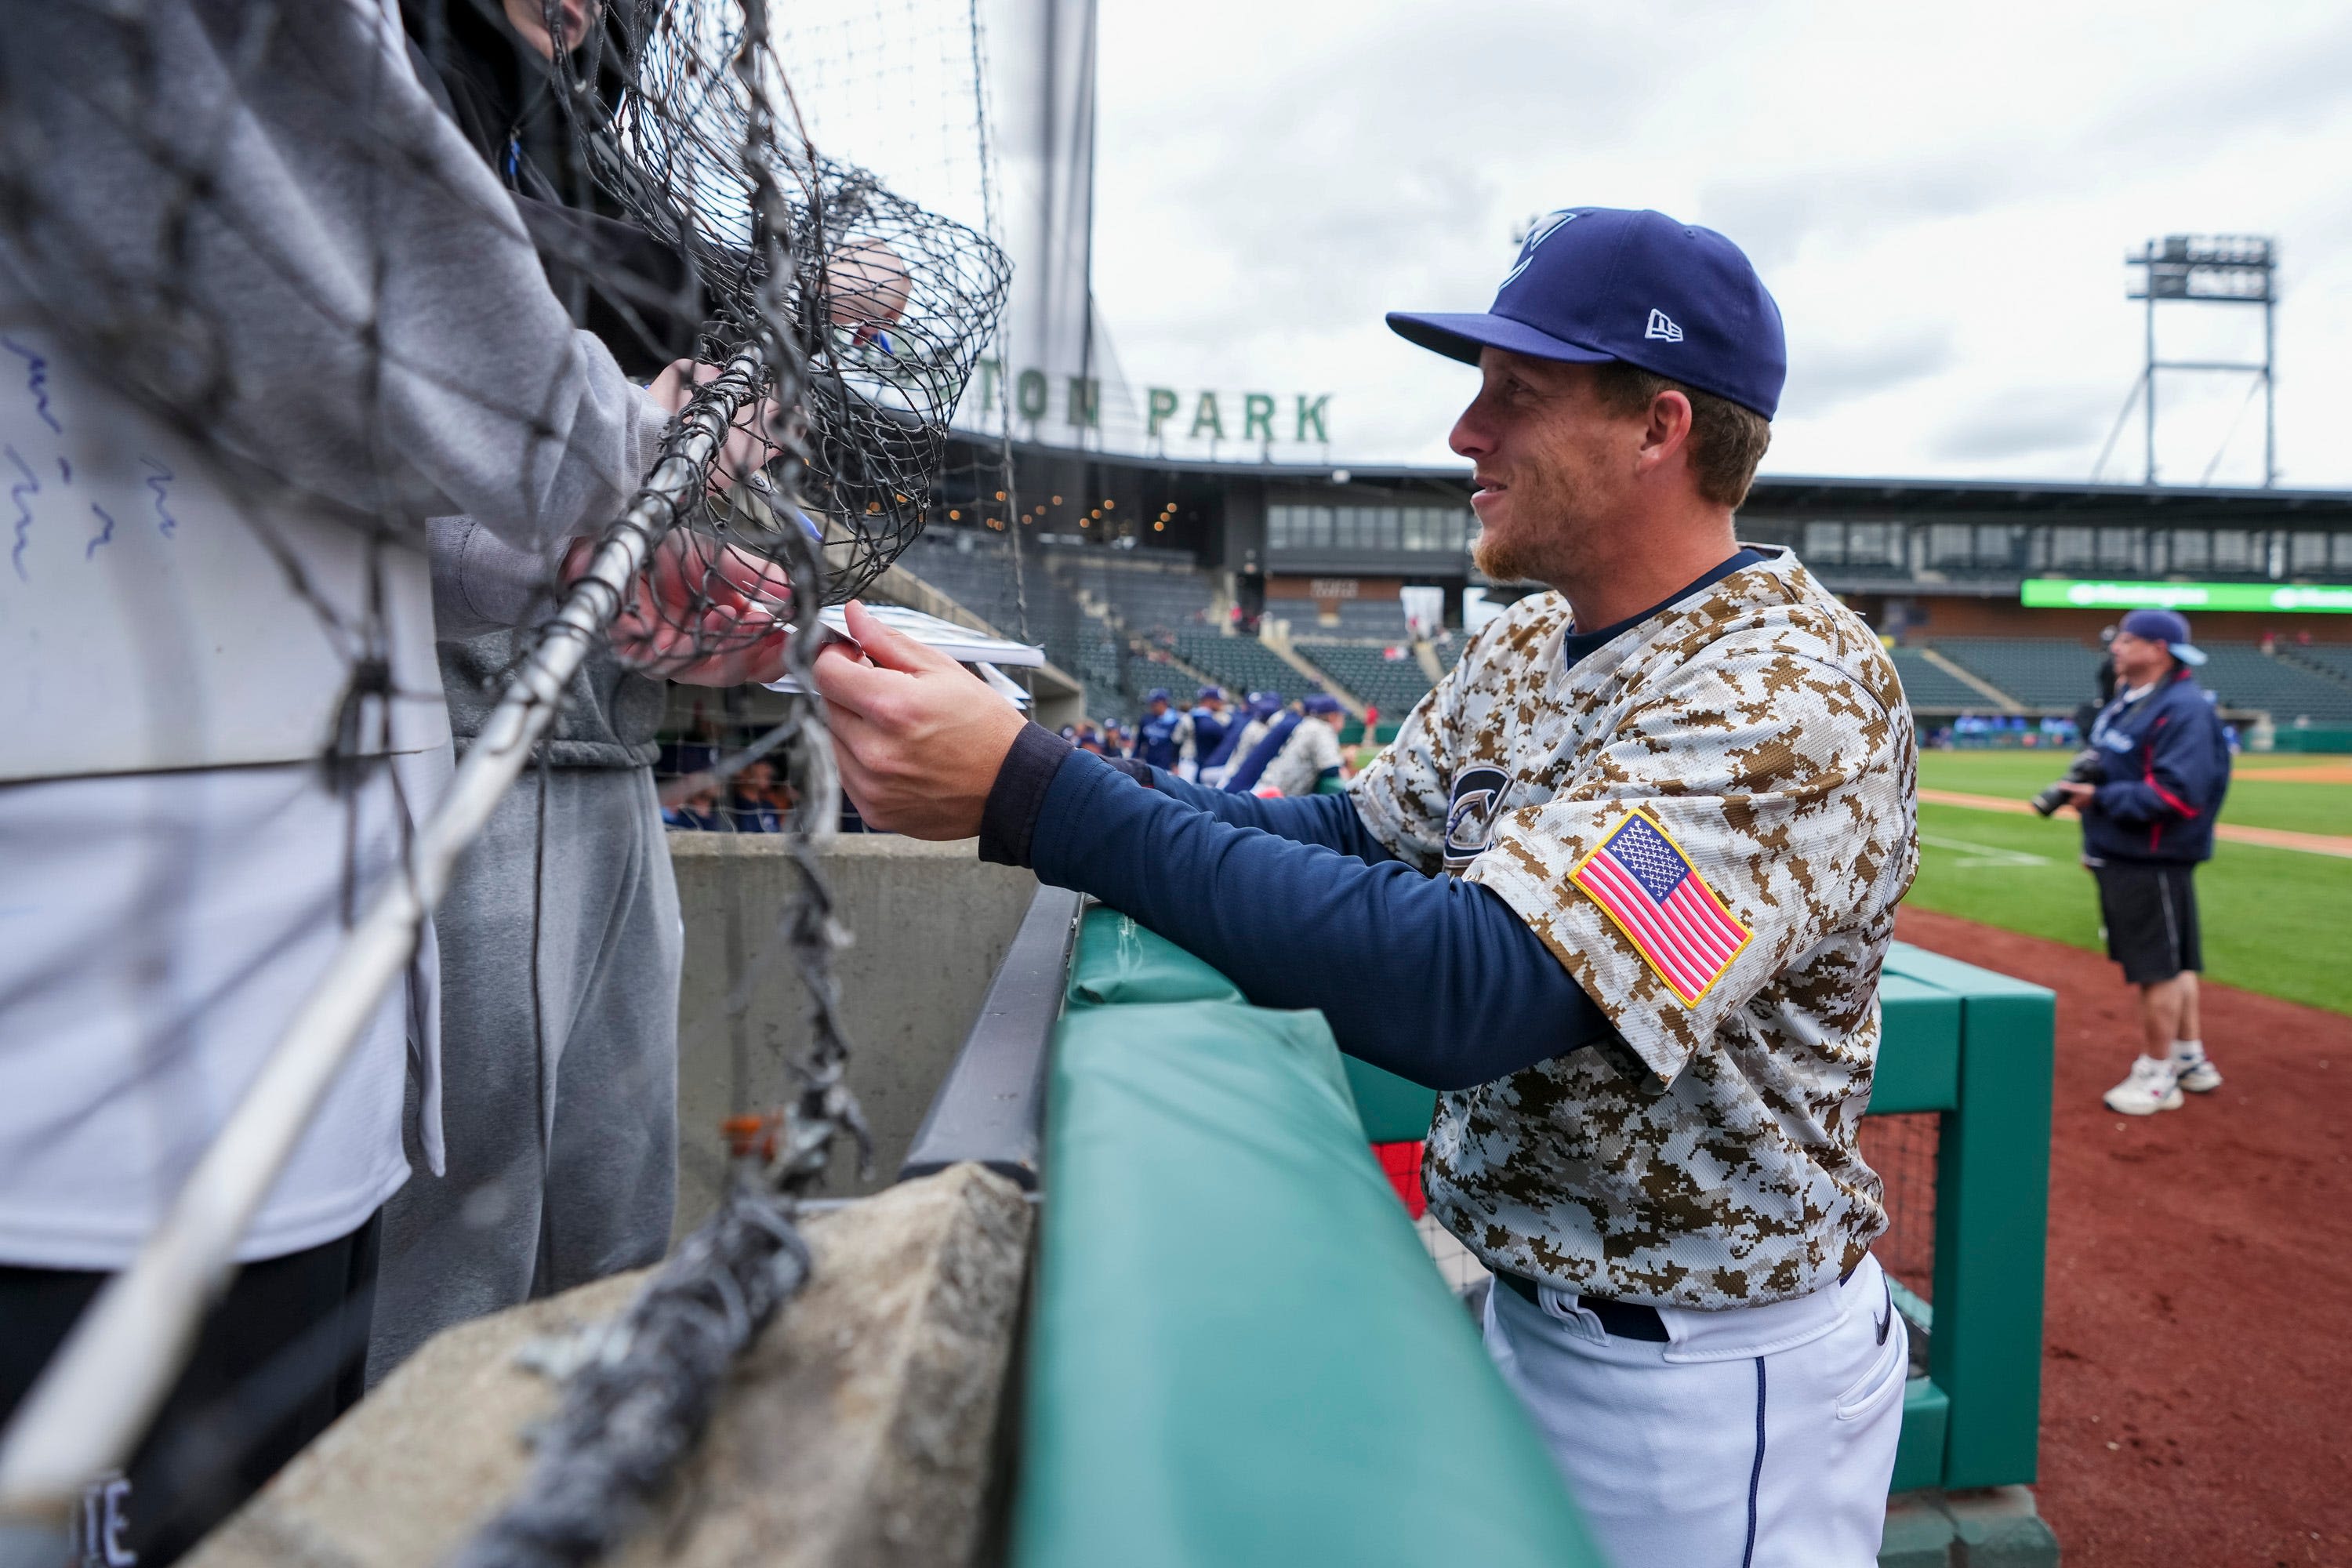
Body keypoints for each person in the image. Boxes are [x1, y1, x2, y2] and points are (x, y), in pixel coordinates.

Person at [810, 206, 1918, 1566]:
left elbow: (1482, 990)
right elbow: (1351, 841)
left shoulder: (1788, 693)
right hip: (1528, 1311)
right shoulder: (1528, 647)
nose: (1467, 431)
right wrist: (1014, 761)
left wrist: (1037, 797)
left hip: (1704, 1384)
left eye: (1518, 394)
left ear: (1659, 427)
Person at [0, 2, 746, 1555]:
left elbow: (342, 505)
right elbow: (507, 404)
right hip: (92, 1102)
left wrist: (576, 563)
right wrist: (639, 451)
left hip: (277, 1065)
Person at [2055, 608, 2232, 1116]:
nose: (2115, 647)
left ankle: (2158, 1074)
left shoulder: (2182, 708)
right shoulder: (2132, 701)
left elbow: (2179, 795)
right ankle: (2189, 1058)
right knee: (2173, 959)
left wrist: (2099, 801)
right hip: (2125, 852)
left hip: (2152, 854)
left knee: (2156, 966)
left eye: (2127, 640)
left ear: (2158, 649)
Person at [1254, 692, 1348, 797]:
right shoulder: (1322, 729)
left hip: (1266, 789)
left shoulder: (1307, 724)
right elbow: (1331, 769)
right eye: (1342, 716)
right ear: (1332, 716)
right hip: (1274, 797)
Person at [1134, 688, 1195, 773]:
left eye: (1155, 703)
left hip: (1167, 766)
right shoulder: (1146, 719)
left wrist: (1175, 763)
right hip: (1149, 764)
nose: (1152, 706)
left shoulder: (1175, 720)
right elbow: (1139, 742)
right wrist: (1134, 760)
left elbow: (1177, 744)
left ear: (1164, 703)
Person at [1185, 686, 1229, 778]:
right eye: (1219, 701)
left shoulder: (1203, 716)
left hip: (1196, 762)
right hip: (1190, 762)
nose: (1221, 704)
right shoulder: (1200, 717)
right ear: (1209, 701)